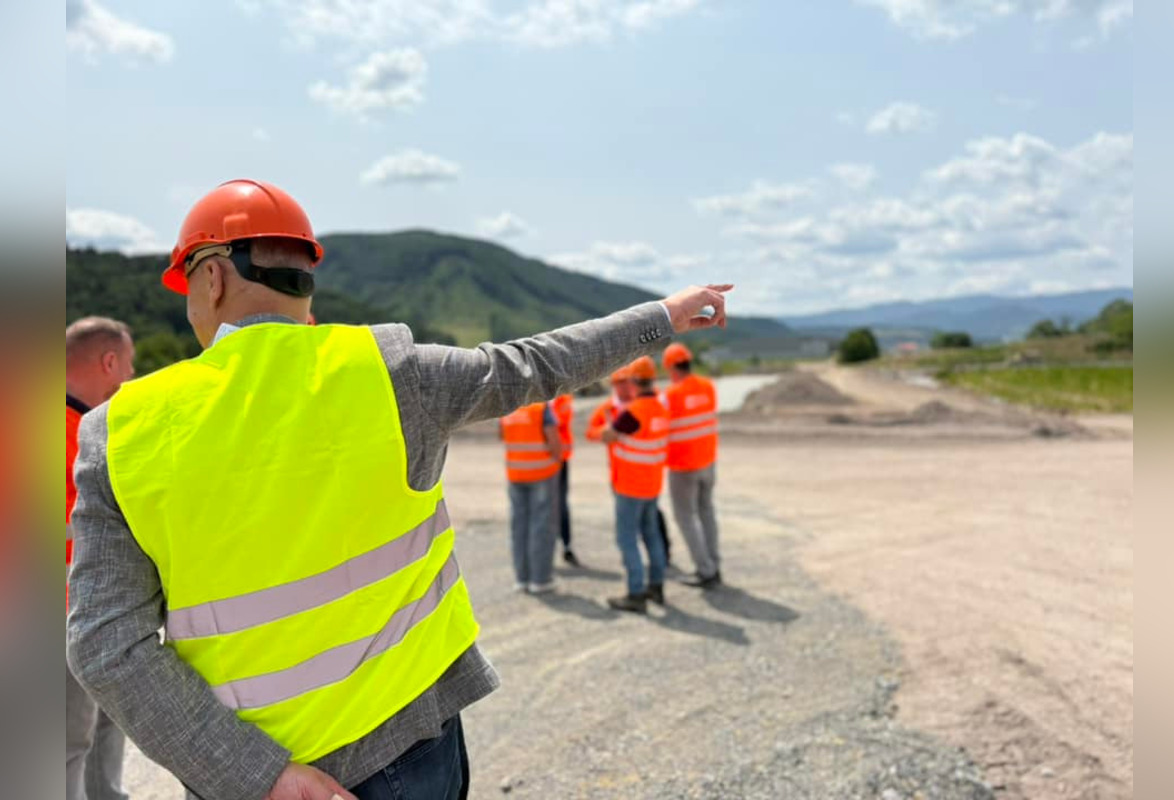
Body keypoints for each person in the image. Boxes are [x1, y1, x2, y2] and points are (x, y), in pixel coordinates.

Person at [65, 178, 732, 800]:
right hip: (417, 748)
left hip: (256, 776)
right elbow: (538, 365)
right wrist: (663, 316)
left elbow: (104, 645)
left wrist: (255, 774)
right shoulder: (389, 370)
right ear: (304, 281)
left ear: (209, 278)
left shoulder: (118, 431)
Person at [66, 316, 136, 800]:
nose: (129, 380)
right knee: (68, 741)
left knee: (104, 726)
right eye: (128, 368)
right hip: (62, 613)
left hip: (95, 611)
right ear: (109, 363)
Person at [601, 356, 670, 613]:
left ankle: (636, 593)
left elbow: (609, 436)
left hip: (630, 485)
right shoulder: (662, 409)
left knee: (627, 539)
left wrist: (609, 421)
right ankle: (657, 586)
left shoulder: (634, 412)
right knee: (652, 536)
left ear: (633, 382)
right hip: (652, 483)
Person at [660, 343, 722, 588]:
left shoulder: (671, 396)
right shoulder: (708, 387)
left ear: (672, 367)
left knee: (685, 517)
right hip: (708, 460)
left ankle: (705, 570)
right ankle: (714, 564)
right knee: (706, 512)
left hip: (683, 465)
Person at [500, 401, 563, 593]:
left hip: (515, 474)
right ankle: (540, 579)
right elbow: (553, 439)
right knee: (542, 527)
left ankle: (522, 578)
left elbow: (501, 435)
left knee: (519, 526)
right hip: (541, 473)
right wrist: (557, 459)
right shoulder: (541, 408)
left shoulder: (508, 406)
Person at [549, 394, 579, 566]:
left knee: (560, 505)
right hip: (540, 461)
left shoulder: (563, 399)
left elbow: (556, 422)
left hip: (559, 460)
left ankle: (566, 545)